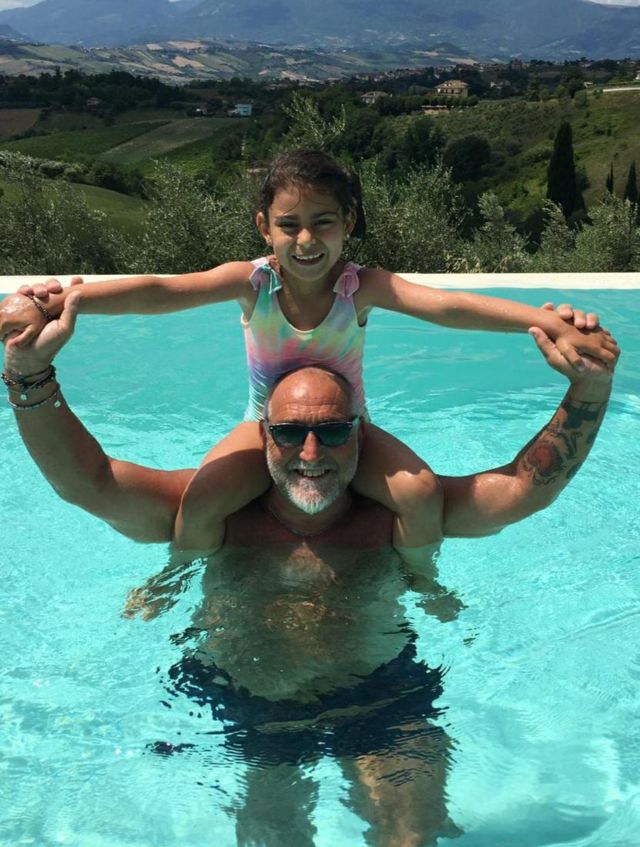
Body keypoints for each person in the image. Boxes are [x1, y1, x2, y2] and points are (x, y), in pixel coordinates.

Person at [2, 294, 617, 847]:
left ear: (361, 435)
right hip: (246, 700)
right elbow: (90, 482)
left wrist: (587, 391)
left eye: (333, 431)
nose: (311, 452)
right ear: (264, 436)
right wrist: (29, 371)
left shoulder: (391, 519)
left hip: (383, 697)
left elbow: (522, 489)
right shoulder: (217, 514)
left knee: (413, 832)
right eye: (291, 432)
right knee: (271, 835)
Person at [0, 150, 619, 560]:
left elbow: (446, 306)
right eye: (289, 224)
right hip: (263, 426)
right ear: (263, 227)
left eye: (323, 222)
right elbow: (161, 292)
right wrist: (65, 301)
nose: (305, 239)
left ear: (348, 222)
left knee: (421, 492)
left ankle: (420, 578)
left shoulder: (362, 287)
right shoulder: (251, 282)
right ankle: (180, 576)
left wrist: (545, 322)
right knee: (203, 500)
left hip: (350, 429)